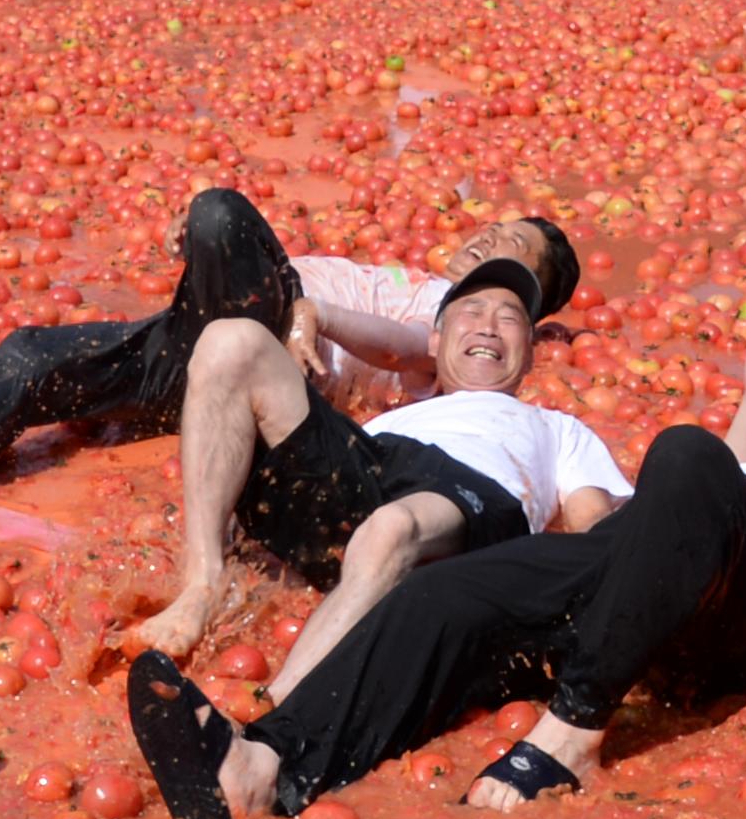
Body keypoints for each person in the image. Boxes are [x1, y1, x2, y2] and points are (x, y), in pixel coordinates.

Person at [126, 313, 746, 819]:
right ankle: (265, 766)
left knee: (686, 456)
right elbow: (712, 503)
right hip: (675, 559)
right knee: (450, 593)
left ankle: (573, 734)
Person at [0, 187, 575, 531]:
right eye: (491, 227)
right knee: (27, 353)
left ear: (530, 303)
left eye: (512, 249)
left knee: (220, 214)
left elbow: (413, 351)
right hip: (197, 341)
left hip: (268, 365)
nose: (486, 241)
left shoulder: (467, 323)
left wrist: (310, 313)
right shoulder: (399, 274)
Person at [143, 255, 629, 674]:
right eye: (472, 311)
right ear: (434, 343)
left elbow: (592, 530)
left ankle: (277, 719)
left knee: (393, 526)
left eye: (509, 319)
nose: (487, 325)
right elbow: (391, 350)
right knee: (232, 338)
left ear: (528, 360)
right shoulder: (395, 417)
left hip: (464, 507)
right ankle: (203, 583)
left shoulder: (558, 429)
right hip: (370, 470)